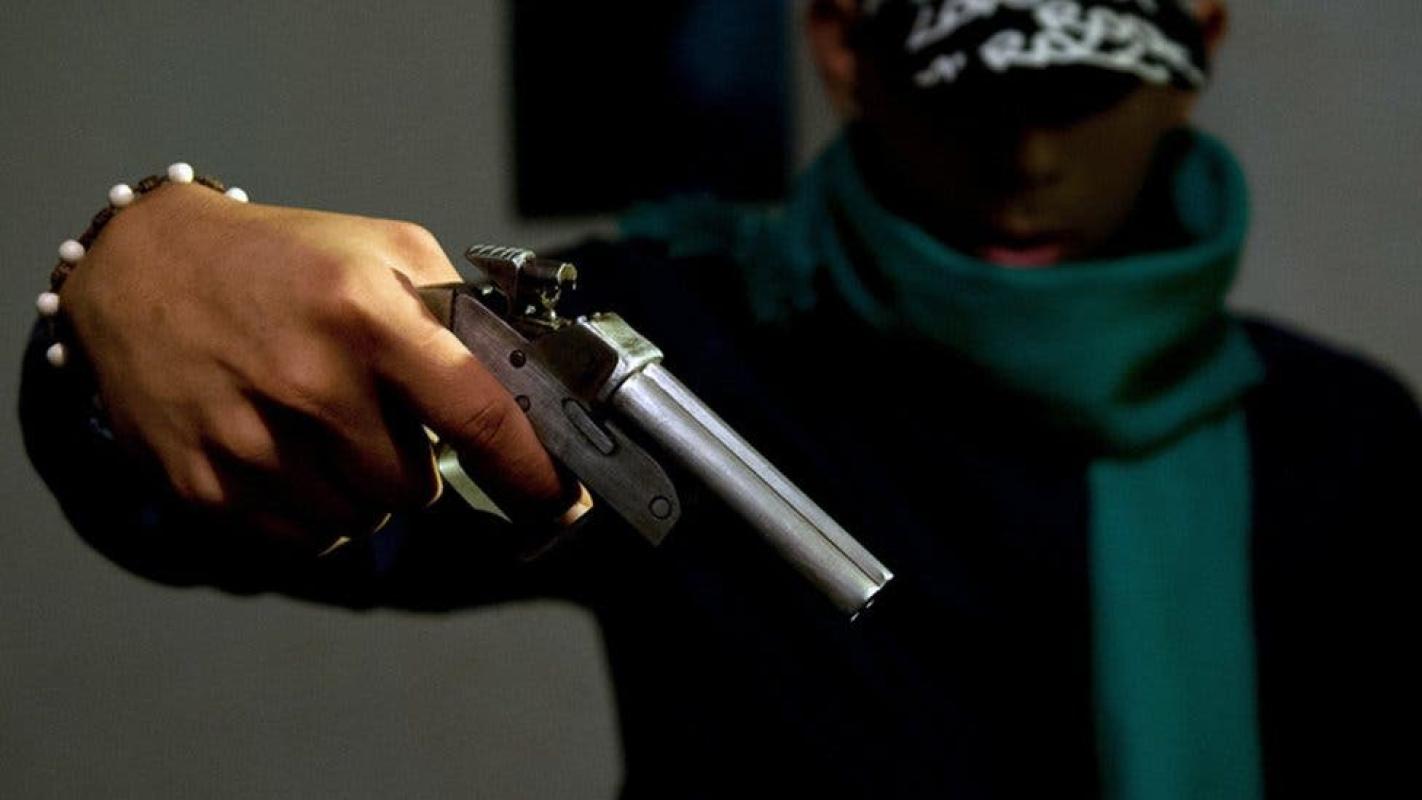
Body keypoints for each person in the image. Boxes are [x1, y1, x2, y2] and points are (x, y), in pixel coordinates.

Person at [19, 1, 1419, 797]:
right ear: (842, 45)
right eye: (969, 93)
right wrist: (131, 300)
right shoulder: (673, 327)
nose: (1027, 164)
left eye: (1078, 92)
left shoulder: (1345, 440)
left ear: (1198, 42)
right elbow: (203, 511)